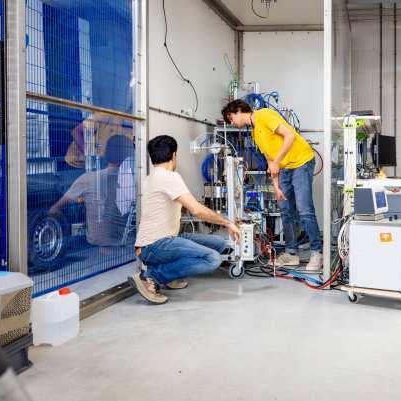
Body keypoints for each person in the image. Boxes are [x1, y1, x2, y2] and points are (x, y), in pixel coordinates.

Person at [130, 135, 241, 305]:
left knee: (219, 243)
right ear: (174, 156)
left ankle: (169, 274)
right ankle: (152, 276)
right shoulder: (170, 177)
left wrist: (195, 205)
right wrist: (228, 223)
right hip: (156, 245)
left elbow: (176, 204)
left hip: (158, 241)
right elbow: (196, 210)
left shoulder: (151, 177)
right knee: (212, 258)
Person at [221, 100, 322, 270]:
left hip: (301, 162)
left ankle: (316, 253)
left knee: (304, 209)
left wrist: (277, 161)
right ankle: (291, 253)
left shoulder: (264, 115)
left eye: (231, 118)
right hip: (285, 168)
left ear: (239, 110)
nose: (232, 123)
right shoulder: (255, 134)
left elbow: (289, 135)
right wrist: (276, 188)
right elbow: (270, 162)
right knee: (284, 208)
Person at [50, 135, 134, 247]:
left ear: (106, 153)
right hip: (123, 242)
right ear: (126, 157)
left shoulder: (87, 178)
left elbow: (55, 208)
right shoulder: (131, 180)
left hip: (95, 241)